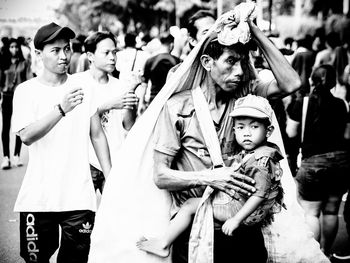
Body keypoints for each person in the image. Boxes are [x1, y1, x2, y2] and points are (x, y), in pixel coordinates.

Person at [88, 3, 328, 263]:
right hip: (195, 233)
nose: (239, 71)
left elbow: (291, 83)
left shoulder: (246, 94)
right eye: (230, 62)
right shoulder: (177, 107)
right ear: (206, 62)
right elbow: (161, 175)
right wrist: (210, 177)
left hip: (243, 228)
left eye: (242, 62)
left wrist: (252, 29)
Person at [136, 94, 284, 258]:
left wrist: (236, 219)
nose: (247, 133)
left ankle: (164, 243)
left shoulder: (262, 160)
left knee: (191, 205)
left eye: (254, 127)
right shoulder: (255, 152)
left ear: (268, 130)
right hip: (239, 204)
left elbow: (260, 194)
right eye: (241, 127)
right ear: (234, 130)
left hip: (238, 209)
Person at [11, 22, 112, 263]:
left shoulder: (85, 86)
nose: (64, 56)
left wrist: (112, 177)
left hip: (78, 196)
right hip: (39, 197)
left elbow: (96, 134)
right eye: (55, 50)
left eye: (66, 49)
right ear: (38, 54)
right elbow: (26, 136)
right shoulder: (26, 91)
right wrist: (61, 109)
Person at [286, 64, 350, 257]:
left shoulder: (302, 104)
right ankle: (327, 253)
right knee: (331, 211)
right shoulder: (341, 104)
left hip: (312, 163)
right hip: (340, 162)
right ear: (332, 82)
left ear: (312, 80)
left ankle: (314, 257)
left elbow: (291, 133)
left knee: (311, 213)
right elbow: (347, 135)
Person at [79, 31, 139, 193]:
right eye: (106, 53)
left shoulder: (120, 85)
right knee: (85, 216)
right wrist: (108, 105)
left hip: (115, 162)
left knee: (115, 215)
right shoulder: (79, 83)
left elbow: (128, 125)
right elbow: (77, 122)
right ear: (90, 56)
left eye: (114, 52)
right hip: (86, 162)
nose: (112, 57)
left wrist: (131, 95)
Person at [0, 37, 32, 169]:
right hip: (7, 96)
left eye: (16, 47)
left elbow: (29, 80)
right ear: (8, 48)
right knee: (6, 127)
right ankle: (6, 158)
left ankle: (17, 155)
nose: (14, 49)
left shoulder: (24, 63)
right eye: (11, 47)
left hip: (19, 98)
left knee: (19, 127)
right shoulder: (3, 63)